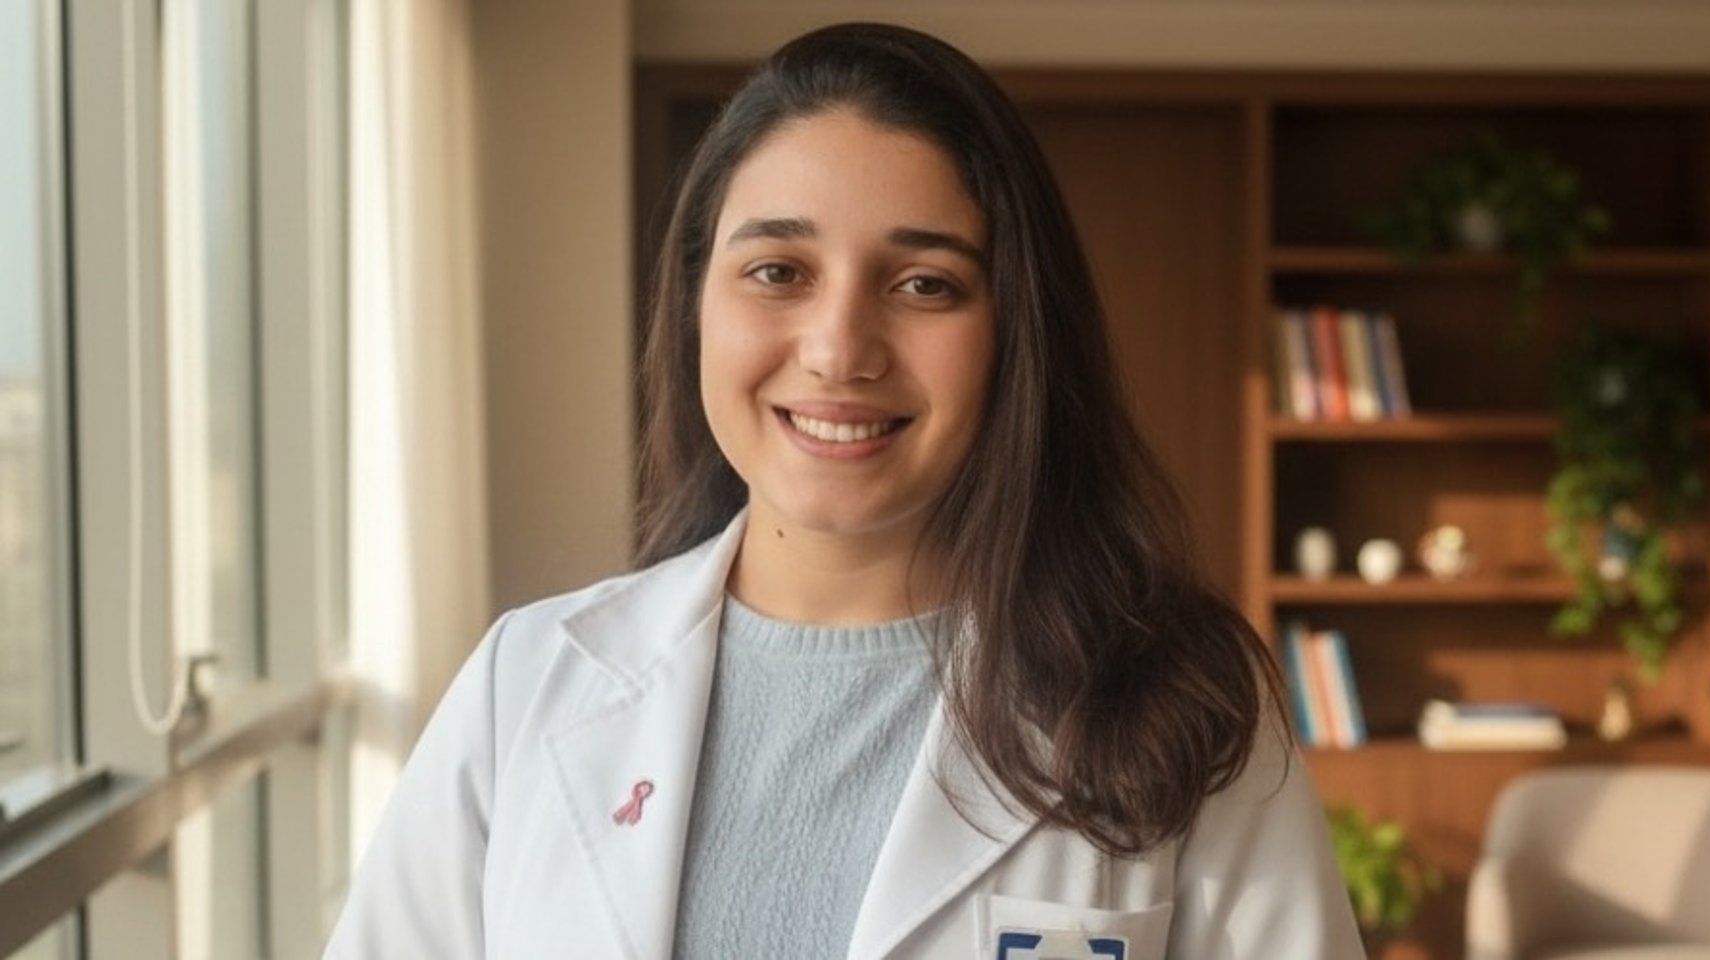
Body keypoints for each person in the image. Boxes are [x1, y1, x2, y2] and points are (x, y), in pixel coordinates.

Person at [326, 22, 1364, 960]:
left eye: (925, 285)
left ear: (1016, 334)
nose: (838, 350)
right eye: (778, 271)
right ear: (695, 305)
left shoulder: (1178, 705)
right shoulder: (529, 686)